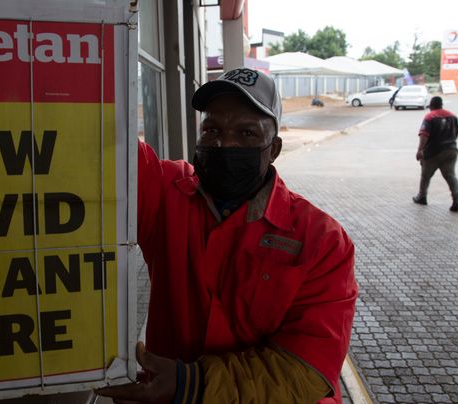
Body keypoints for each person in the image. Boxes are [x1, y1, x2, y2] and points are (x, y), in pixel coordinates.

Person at [96, 68, 358, 403]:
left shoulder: (322, 240)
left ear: (274, 148)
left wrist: (191, 383)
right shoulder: (166, 193)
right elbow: (109, 150)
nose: (225, 143)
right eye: (212, 130)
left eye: (247, 133)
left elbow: (306, 370)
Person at [412, 96, 458, 212]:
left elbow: (424, 134)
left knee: (425, 175)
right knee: (450, 176)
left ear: (431, 105)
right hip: (451, 150)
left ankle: (422, 196)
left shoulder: (430, 117)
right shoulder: (452, 116)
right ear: (441, 104)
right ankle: (457, 198)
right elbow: (456, 133)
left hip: (433, 152)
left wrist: (420, 150)